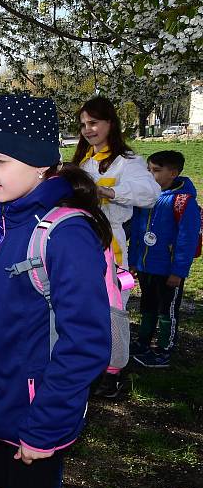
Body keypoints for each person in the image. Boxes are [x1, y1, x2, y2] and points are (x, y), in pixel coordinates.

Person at [0, 94, 112, 488]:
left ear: (39, 164)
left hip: (36, 423)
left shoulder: (65, 234)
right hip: (1, 411)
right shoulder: (6, 220)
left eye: (1, 161)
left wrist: (45, 428)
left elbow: (85, 344)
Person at [71, 96, 160, 398]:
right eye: (83, 124)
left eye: (93, 123)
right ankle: (88, 368)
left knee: (112, 310)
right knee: (82, 308)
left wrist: (106, 191)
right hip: (79, 244)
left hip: (111, 245)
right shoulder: (81, 160)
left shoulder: (128, 161)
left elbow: (150, 192)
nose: (87, 129)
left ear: (110, 123)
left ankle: (113, 373)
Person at [129, 150, 201, 368]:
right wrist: (134, 261)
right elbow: (136, 230)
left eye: (156, 171)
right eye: (149, 170)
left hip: (168, 271)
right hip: (145, 266)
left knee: (166, 311)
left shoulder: (183, 202)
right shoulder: (146, 196)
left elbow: (186, 240)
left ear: (174, 173)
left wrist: (178, 272)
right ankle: (142, 342)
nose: (151, 175)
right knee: (147, 306)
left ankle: (164, 350)